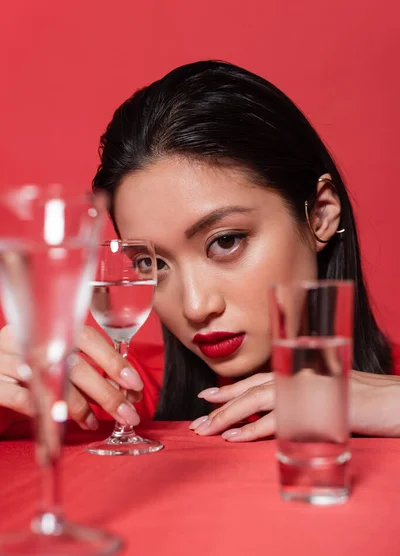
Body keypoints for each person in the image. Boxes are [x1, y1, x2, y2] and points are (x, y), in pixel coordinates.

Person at [1, 60, 400, 440]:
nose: (195, 307)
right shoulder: (116, 396)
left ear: (321, 216)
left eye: (226, 241)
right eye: (152, 263)